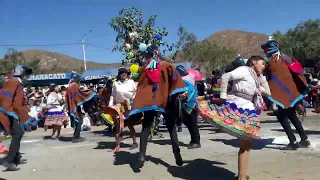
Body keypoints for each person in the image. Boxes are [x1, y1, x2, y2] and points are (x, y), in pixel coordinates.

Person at [198, 56, 270, 180]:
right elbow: (226, 77)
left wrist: (262, 77)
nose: (264, 66)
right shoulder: (244, 69)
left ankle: (241, 175)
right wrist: (223, 96)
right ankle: (241, 176)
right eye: (262, 63)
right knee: (245, 143)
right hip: (238, 106)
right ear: (253, 62)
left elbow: (268, 93)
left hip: (249, 109)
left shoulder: (255, 79)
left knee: (247, 143)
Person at [129, 50, 188, 169]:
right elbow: (176, 82)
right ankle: (177, 155)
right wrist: (179, 93)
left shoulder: (144, 70)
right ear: (158, 55)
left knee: (146, 128)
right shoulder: (167, 66)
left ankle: (141, 155)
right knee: (171, 129)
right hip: (165, 101)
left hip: (150, 102)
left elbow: (141, 87)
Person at [261, 40, 310, 150]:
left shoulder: (273, 63)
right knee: (292, 115)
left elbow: (272, 80)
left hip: (283, 94)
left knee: (281, 115)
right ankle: (304, 139)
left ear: (269, 50)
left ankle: (293, 142)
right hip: (292, 91)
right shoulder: (287, 58)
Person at [0, 64, 33, 171]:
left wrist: (25, 115)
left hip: (12, 112)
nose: (26, 76)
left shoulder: (17, 82)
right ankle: (9, 160)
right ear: (20, 72)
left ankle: (15, 157)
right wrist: (10, 113)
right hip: (8, 112)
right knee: (17, 133)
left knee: (19, 132)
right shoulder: (13, 81)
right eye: (25, 73)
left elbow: (17, 102)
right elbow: (5, 99)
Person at [65, 73, 96, 143]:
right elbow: (78, 95)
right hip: (75, 105)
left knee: (78, 121)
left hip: (73, 105)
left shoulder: (71, 85)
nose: (79, 79)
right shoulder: (74, 85)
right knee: (79, 121)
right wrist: (89, 93)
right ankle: (76, 137)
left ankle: (76, 135)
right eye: (78, 78)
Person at [176, 65, 201, 149]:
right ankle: (195, 140)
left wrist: (181, 95)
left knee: (191, 122)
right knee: (189, 121)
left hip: (189, 103)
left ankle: (196, 141)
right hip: (192, 102)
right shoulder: (190, 77)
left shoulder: (183, 80)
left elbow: (186, 91)